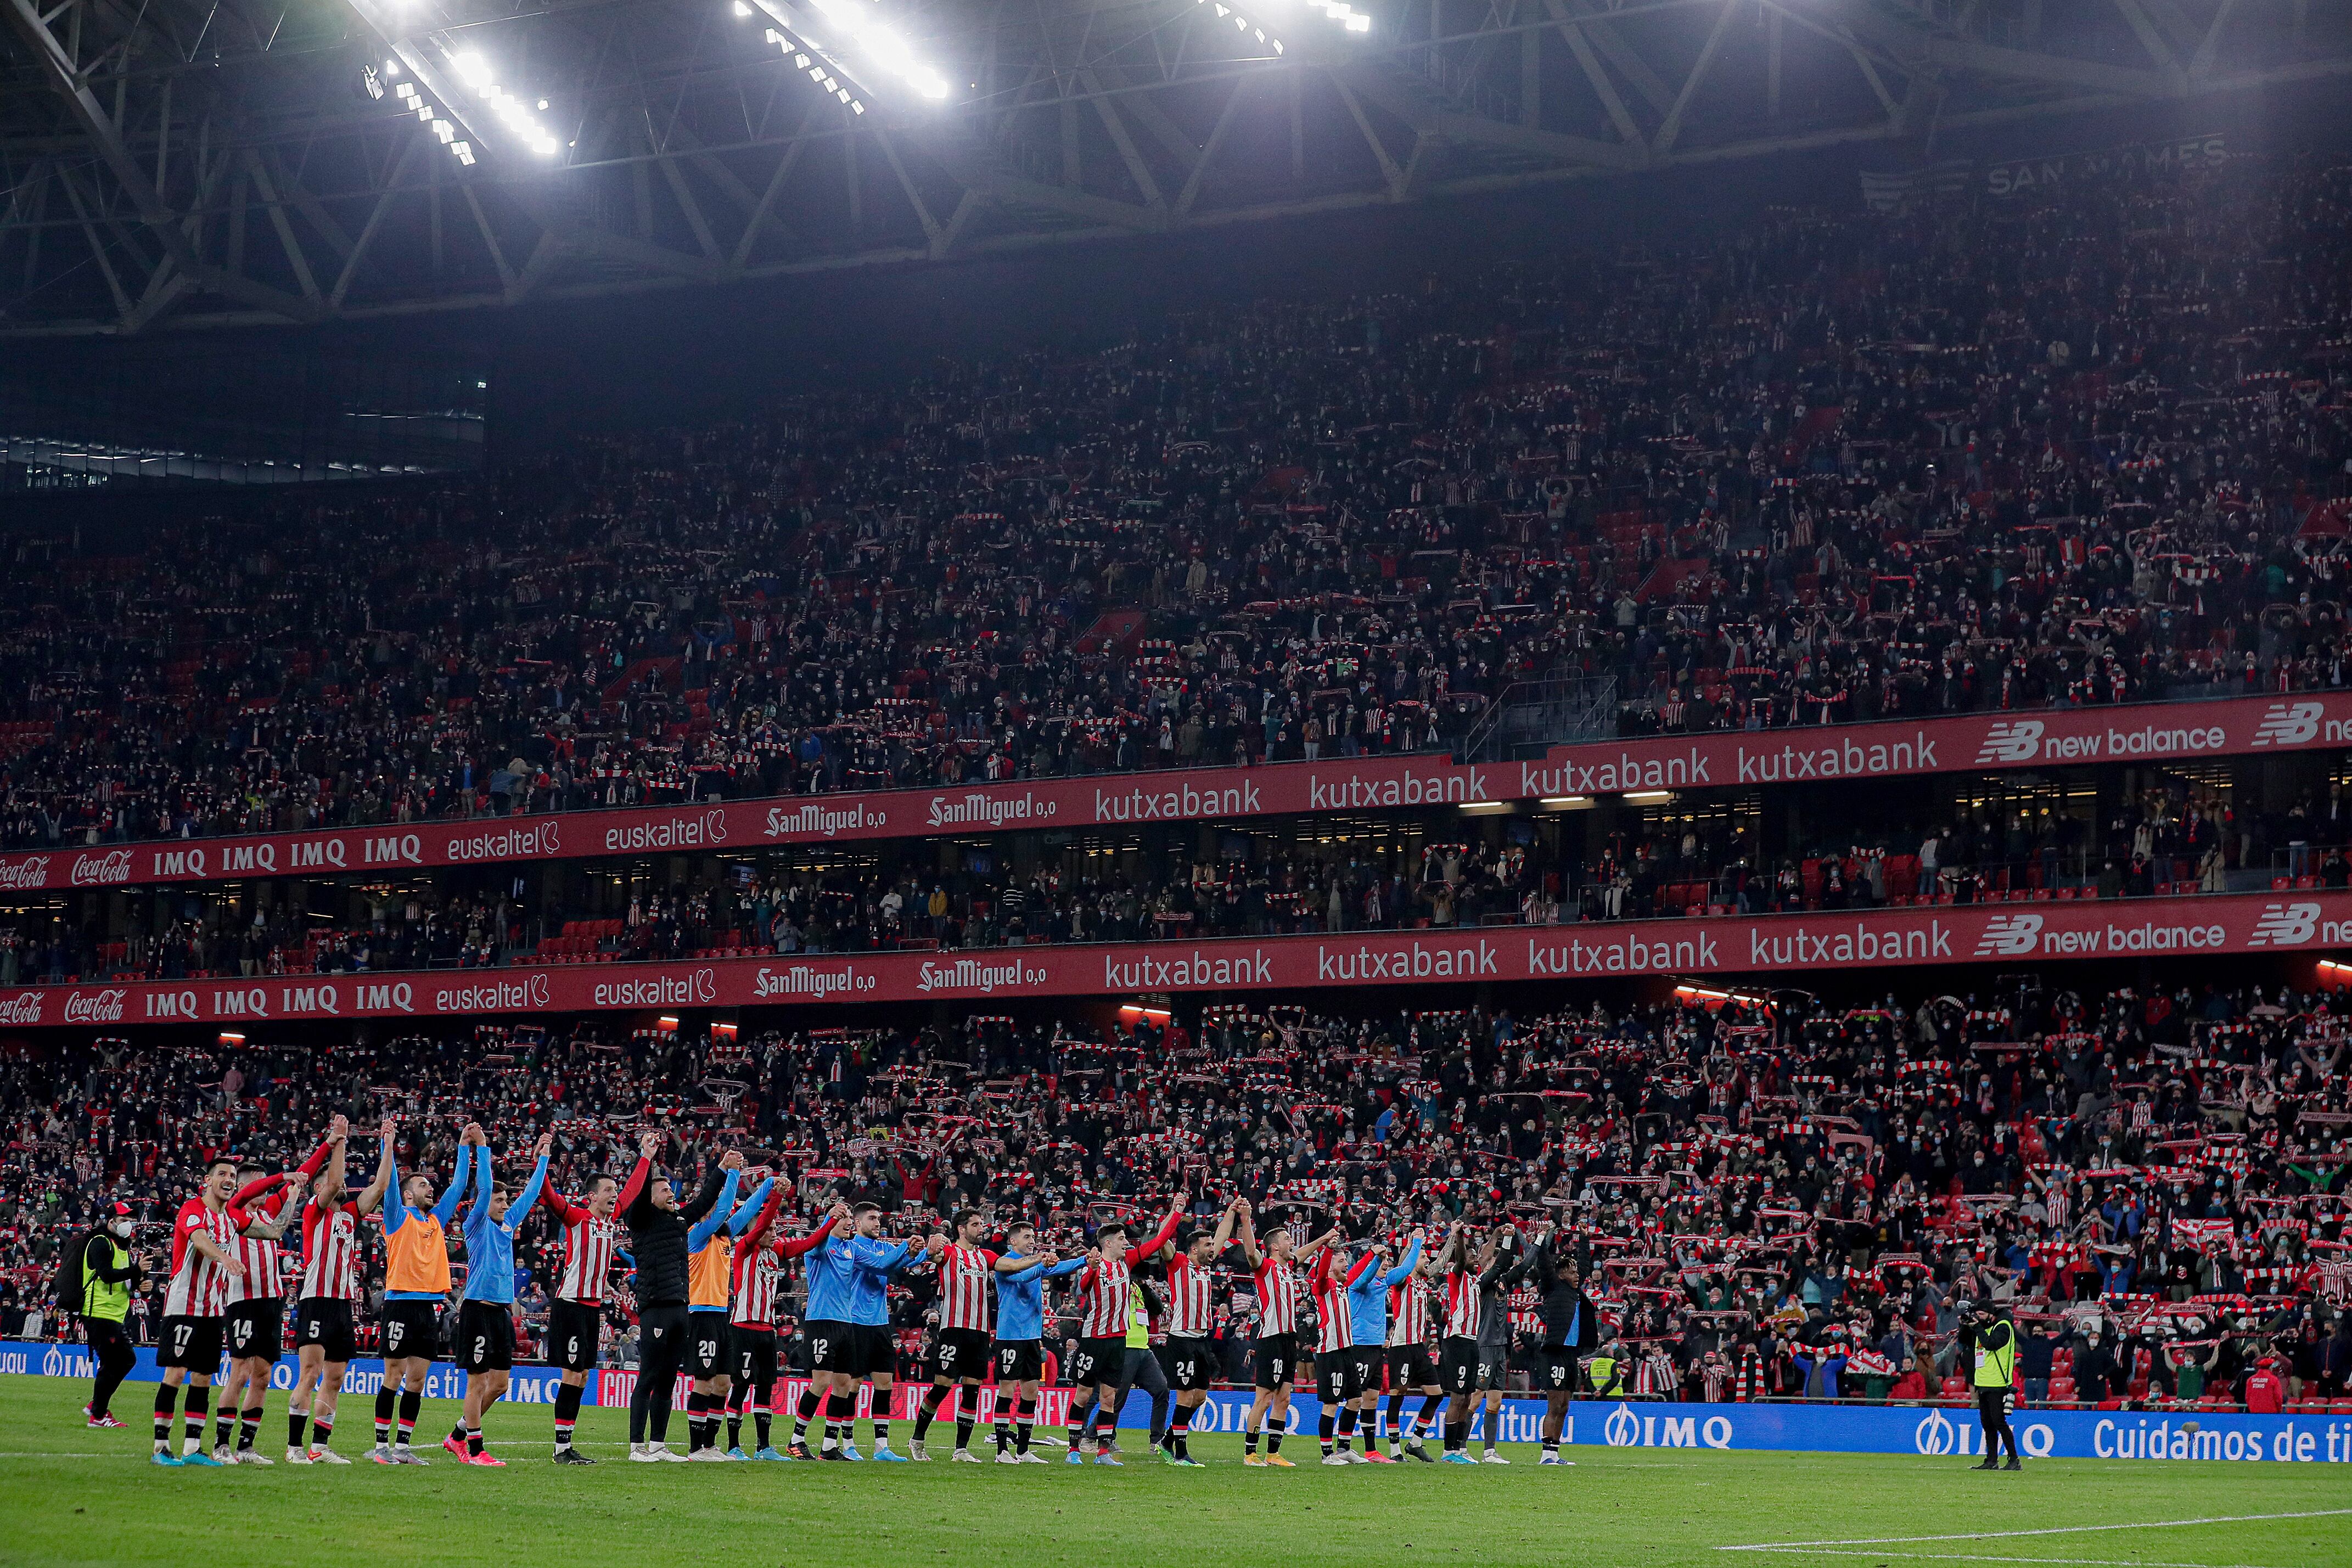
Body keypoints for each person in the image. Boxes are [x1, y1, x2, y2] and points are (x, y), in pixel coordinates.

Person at [618, 1133, 742, 1463]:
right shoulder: (641, 1220)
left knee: (669, 1379)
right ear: (651, 1197)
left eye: (670, 1189)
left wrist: (722, 1169)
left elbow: (703, 1204)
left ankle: (658, 1445)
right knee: (649, 1376)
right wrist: (646, 1157)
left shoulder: (678, 1221)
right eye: (664, 1190)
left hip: (679, 1308)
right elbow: (635, 1196)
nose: (671, 1193)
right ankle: (636, 1447)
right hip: (655, 1308)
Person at [215, 1136, 334, 1464]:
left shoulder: (268, 1212)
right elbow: (272, 1183)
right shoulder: (234, 1210)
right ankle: (221, 1445)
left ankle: (245, 1447)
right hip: (243, 1299)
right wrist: (282, 1177)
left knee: (263, 1376)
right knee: (240, 1371)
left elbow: (305, 1173)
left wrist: (329, 1142)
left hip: (271, 1300)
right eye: (257, 1183)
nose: (263, 1188)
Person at [369, 1117, 475, 1464]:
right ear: (408, 1194)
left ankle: (402, 1447)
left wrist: (463, 1146)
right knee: (394, 1374)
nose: (430, 1189)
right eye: (422, 1184)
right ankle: (381, 1446)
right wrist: (388, 1142)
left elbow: (459, 1186)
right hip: (399, 1305)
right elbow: (387, 1186)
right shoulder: (397, 1216)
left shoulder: (436, 1220)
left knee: (416, 1380)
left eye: (431, 1185)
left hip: (429, 1309)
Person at [442, 1132, 550, 1466]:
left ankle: (458, 1435)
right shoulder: (476, 1224)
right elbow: (485, 1188)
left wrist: (543, 1157)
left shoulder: (508, 1224)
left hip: (502, 1313)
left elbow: (532, 1194)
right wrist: (484, 1148)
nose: (505, 1205)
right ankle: (474, 1451)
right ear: (484, 1204)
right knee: (476, 1382)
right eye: (500, 1201)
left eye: (506, 1201)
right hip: (476, 1309)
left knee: (500, 1384)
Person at [1062, 1196, 1182, 1465]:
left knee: (1109, 1397)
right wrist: (1091, 1269)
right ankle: (1073, 1450)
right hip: (1093, 1340)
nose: (1126, 1242)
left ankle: (1103, 1452)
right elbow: (1083, 1287)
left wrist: (1176, 1213)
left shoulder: (1126, 1264)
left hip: (1118, 1341)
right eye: (1121, 1238)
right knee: (1083, 1394)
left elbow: (1158, 1242)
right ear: (1108, 1243)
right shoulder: (1095, 1266)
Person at [724, 1190, 842, 1458]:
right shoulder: (744, 1247)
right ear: (757, 1227)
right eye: (771, 1227)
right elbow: (762, 1225)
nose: (775, 1232)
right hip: (742, 1327)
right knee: (741, 1387)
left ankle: (763, 1447)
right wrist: (777, 1196)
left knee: (765, 1388)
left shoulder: (775, 1253)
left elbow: (807, 1244)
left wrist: (829, 1223)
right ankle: (733, 1446)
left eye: (777, 1228)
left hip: (767, 1330)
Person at [910, 1207, 1034, 1462]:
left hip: (980, 1332)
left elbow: (1010, 1265)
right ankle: (917, 1440)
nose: (981, 1229)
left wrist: (1039, 1258)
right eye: (976, 1225)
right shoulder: (949, 1253)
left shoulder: (985, 1257)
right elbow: (929, 1255)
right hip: (953, 1330)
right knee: (942, 1387)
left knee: (972, 1390)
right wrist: (933, 1239)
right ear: (962, 1229)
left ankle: (961, 1450)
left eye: (982, 1224)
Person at [289, 1118, 379, 1464]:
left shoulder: (350, 1217)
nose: (335, 1185)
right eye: (327, 1182)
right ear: (317, 1189)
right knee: (310, 1373)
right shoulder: (315, 1211)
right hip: (316, 1301)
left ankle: (319, 1447)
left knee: (336, 1378)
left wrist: (386, 1145)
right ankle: (294, 1448)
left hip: (344, 1304)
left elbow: (380, 1186)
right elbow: (336, 1181)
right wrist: (339, 1140)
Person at [152, 1156, 248, 1466]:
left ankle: (193, 1448)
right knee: (176, 1373)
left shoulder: (231, 1219)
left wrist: (290, 1195)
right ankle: (160, 1448)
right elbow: (199, 1239)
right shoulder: (193, 1210)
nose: (229, 1179)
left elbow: (271, 1232)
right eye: (222, 1173)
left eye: (233, 1175)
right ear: (208, 1180)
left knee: (204, 1377)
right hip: (184, 1306)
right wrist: (225, 1258)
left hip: (213, 1309)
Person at [539, 1157, 624, 1463]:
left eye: (616, 1190)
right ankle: (561, 1449)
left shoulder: (609, 1223)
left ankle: (566, 1446)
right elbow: (549, 1196)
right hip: (572, 1305)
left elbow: (632, 1194)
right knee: (573, 1375)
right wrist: (543, 1160)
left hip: (592, 1308)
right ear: (592, 1196)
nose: (615, 1195)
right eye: (608, 1190)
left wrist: (645, 1156)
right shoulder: (577, 1218)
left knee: (583, 1376)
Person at [1236, 1201, 1332, 1466]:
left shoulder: (1287, 1270)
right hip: (1271, 1338)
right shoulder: (1265, 1266)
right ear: (1276, 1247)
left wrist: (1323, 1240)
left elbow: (1301, 1253)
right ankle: (1250, 1454)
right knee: (1264, 1398)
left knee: (1284, 1398)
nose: (1293, 1242)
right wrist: (1246, 1219)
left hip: (1290, 1340)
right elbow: (1251, 1251)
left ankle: (1273, 1453)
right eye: (1288, 1239)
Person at [687, 1159, 771, 1459]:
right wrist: (734, 1172)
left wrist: (771, 1185)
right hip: (702, 1313)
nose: (717, 1212)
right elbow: (723, 1210)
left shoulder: (724, 1235)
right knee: (704, 1381)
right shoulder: (696, 1235)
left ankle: (710, 1445)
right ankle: (696, 1448)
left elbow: (747, 1210)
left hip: (722, 1314)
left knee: (723, 1384)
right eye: (709, 1207)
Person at [1155, 1198, 1243, 1466]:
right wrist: (1175, 1212)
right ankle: (1180, 1453)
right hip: (1181, 1337)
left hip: (1202, 1340)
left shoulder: (1205, 1267)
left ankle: (1168, 1441)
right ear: (1194, 1249)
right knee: (1185, 1395)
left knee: (1200, 1396)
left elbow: (1223, 1233)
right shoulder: (1178, 1263)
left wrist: (1231, 1211)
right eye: (1207, 1246)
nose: (1213, 1249)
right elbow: (1162, 1237)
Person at [987, 1219, 1084, 1463]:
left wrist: (1086, 1260)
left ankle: (1023, 1451)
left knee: (1031, 1393)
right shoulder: (1004, 1264)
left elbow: (1060, 1268)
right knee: (1007, 1392)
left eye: (1034, 1237)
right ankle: (1002, 1452)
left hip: (1032, 1337)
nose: (1032, 1241)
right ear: (1013, 1241)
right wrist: (1042, 1263)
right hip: (1010, 1336)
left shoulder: (1036, 1265)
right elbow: (1022, 1277)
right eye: (1027, 1237)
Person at [1514, 1221, 1599, 1465]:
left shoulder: (1575, 1291)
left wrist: (1584, 1238)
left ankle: (1555, 1452)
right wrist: (1542, 1238)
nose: (1577, 1276)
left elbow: (1583, 1264)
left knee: (1564, 1406)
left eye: (1576, 1273)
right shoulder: (1553, 1287)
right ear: (1561, 1274)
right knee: (1554, 1404)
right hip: (1554, 1352)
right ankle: (1546, 1455)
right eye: (1572, 1273)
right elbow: (1544, 1263)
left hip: (1571, 1354)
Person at [1341, 1226, 1424, 1464]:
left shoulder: (1383, 1282)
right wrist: (1374, 1256)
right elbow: (1365, 1275)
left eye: (1387, 1262)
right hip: (1360, 1345)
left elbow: (1407, 1269)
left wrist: (1416, 1242)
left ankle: (1371, 1451)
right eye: (1383, 1262)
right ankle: (1342, 1447)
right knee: (1355, 1399)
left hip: (1378, 1347)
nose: (1387, 1265)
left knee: (1372, 1400)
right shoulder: (1358, 1285)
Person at [1435, 1221, 1509, 1464]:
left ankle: (1458, 1449)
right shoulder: (1457, 1276)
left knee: (1468, 1397)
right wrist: (1460, 1236)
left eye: (1477, 1257)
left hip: (1472, 1342)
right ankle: (1449, 1451)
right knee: (1458, 1397)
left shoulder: (1476, 1280)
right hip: (1456, 1341)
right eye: (1472, 1256)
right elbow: (1459, 1258)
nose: (1477, 1259)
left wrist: (1497, 1234)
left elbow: (1487, 1254)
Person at [1304, 1222, 1373, 1464]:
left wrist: (1373, 1254)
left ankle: (1344, 1448)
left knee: (1355, 1399)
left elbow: (1357, 1274)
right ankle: (1326, 1454)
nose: (1347, 1265)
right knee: (1331, 1403)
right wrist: (1327, 1250)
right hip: (1330, 1351)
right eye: (1342, 1261)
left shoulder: (1343, 1287)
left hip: (1347, 1351)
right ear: (1332, 1266)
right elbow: (1321, 1274)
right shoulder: (1323, 1286)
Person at [76, 1202, 145, 1430]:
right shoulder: (100, 1242)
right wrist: (136, 1271)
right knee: (124, 1360)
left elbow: (125, 1280)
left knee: (112, 1362)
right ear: (110, 1221)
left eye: (129, 1220)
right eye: (123, 1219)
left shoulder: (121, 1247)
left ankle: (97, 1407)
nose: (128, 1224)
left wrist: (140, 1284)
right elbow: (106, 1275)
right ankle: (98, 1414)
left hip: (113, 1313)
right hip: (100, 1311)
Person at [1383, 1238, 1445, 1462]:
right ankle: (1394, 1450)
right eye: (1423, 1256)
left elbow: (1442, 1262)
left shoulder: (1423, 1283)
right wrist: (1413, 1245)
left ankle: (1415, 1443)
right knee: (1397, 1396)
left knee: (1436, 1395)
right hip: (1401, 1346)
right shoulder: (1404, 1281)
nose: (1427, 1259)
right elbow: (1403, 1266)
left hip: (1419, 1347)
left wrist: (1454, 1233)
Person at [1960, 1301, 2021, 1470]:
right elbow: (1963, 1340)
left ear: (1990, 1314)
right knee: (1987, 1424)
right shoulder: (1983, 1328)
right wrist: (1966, 1325)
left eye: (1981, 1315)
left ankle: (2014, 1459)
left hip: (1998, 1382)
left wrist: (1977, 1326)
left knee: (1999, 1422)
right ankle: (1992, 1460)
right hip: (1984, 1382)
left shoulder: (2003, 1327)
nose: (1978, 1318)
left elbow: (1991, 1344)